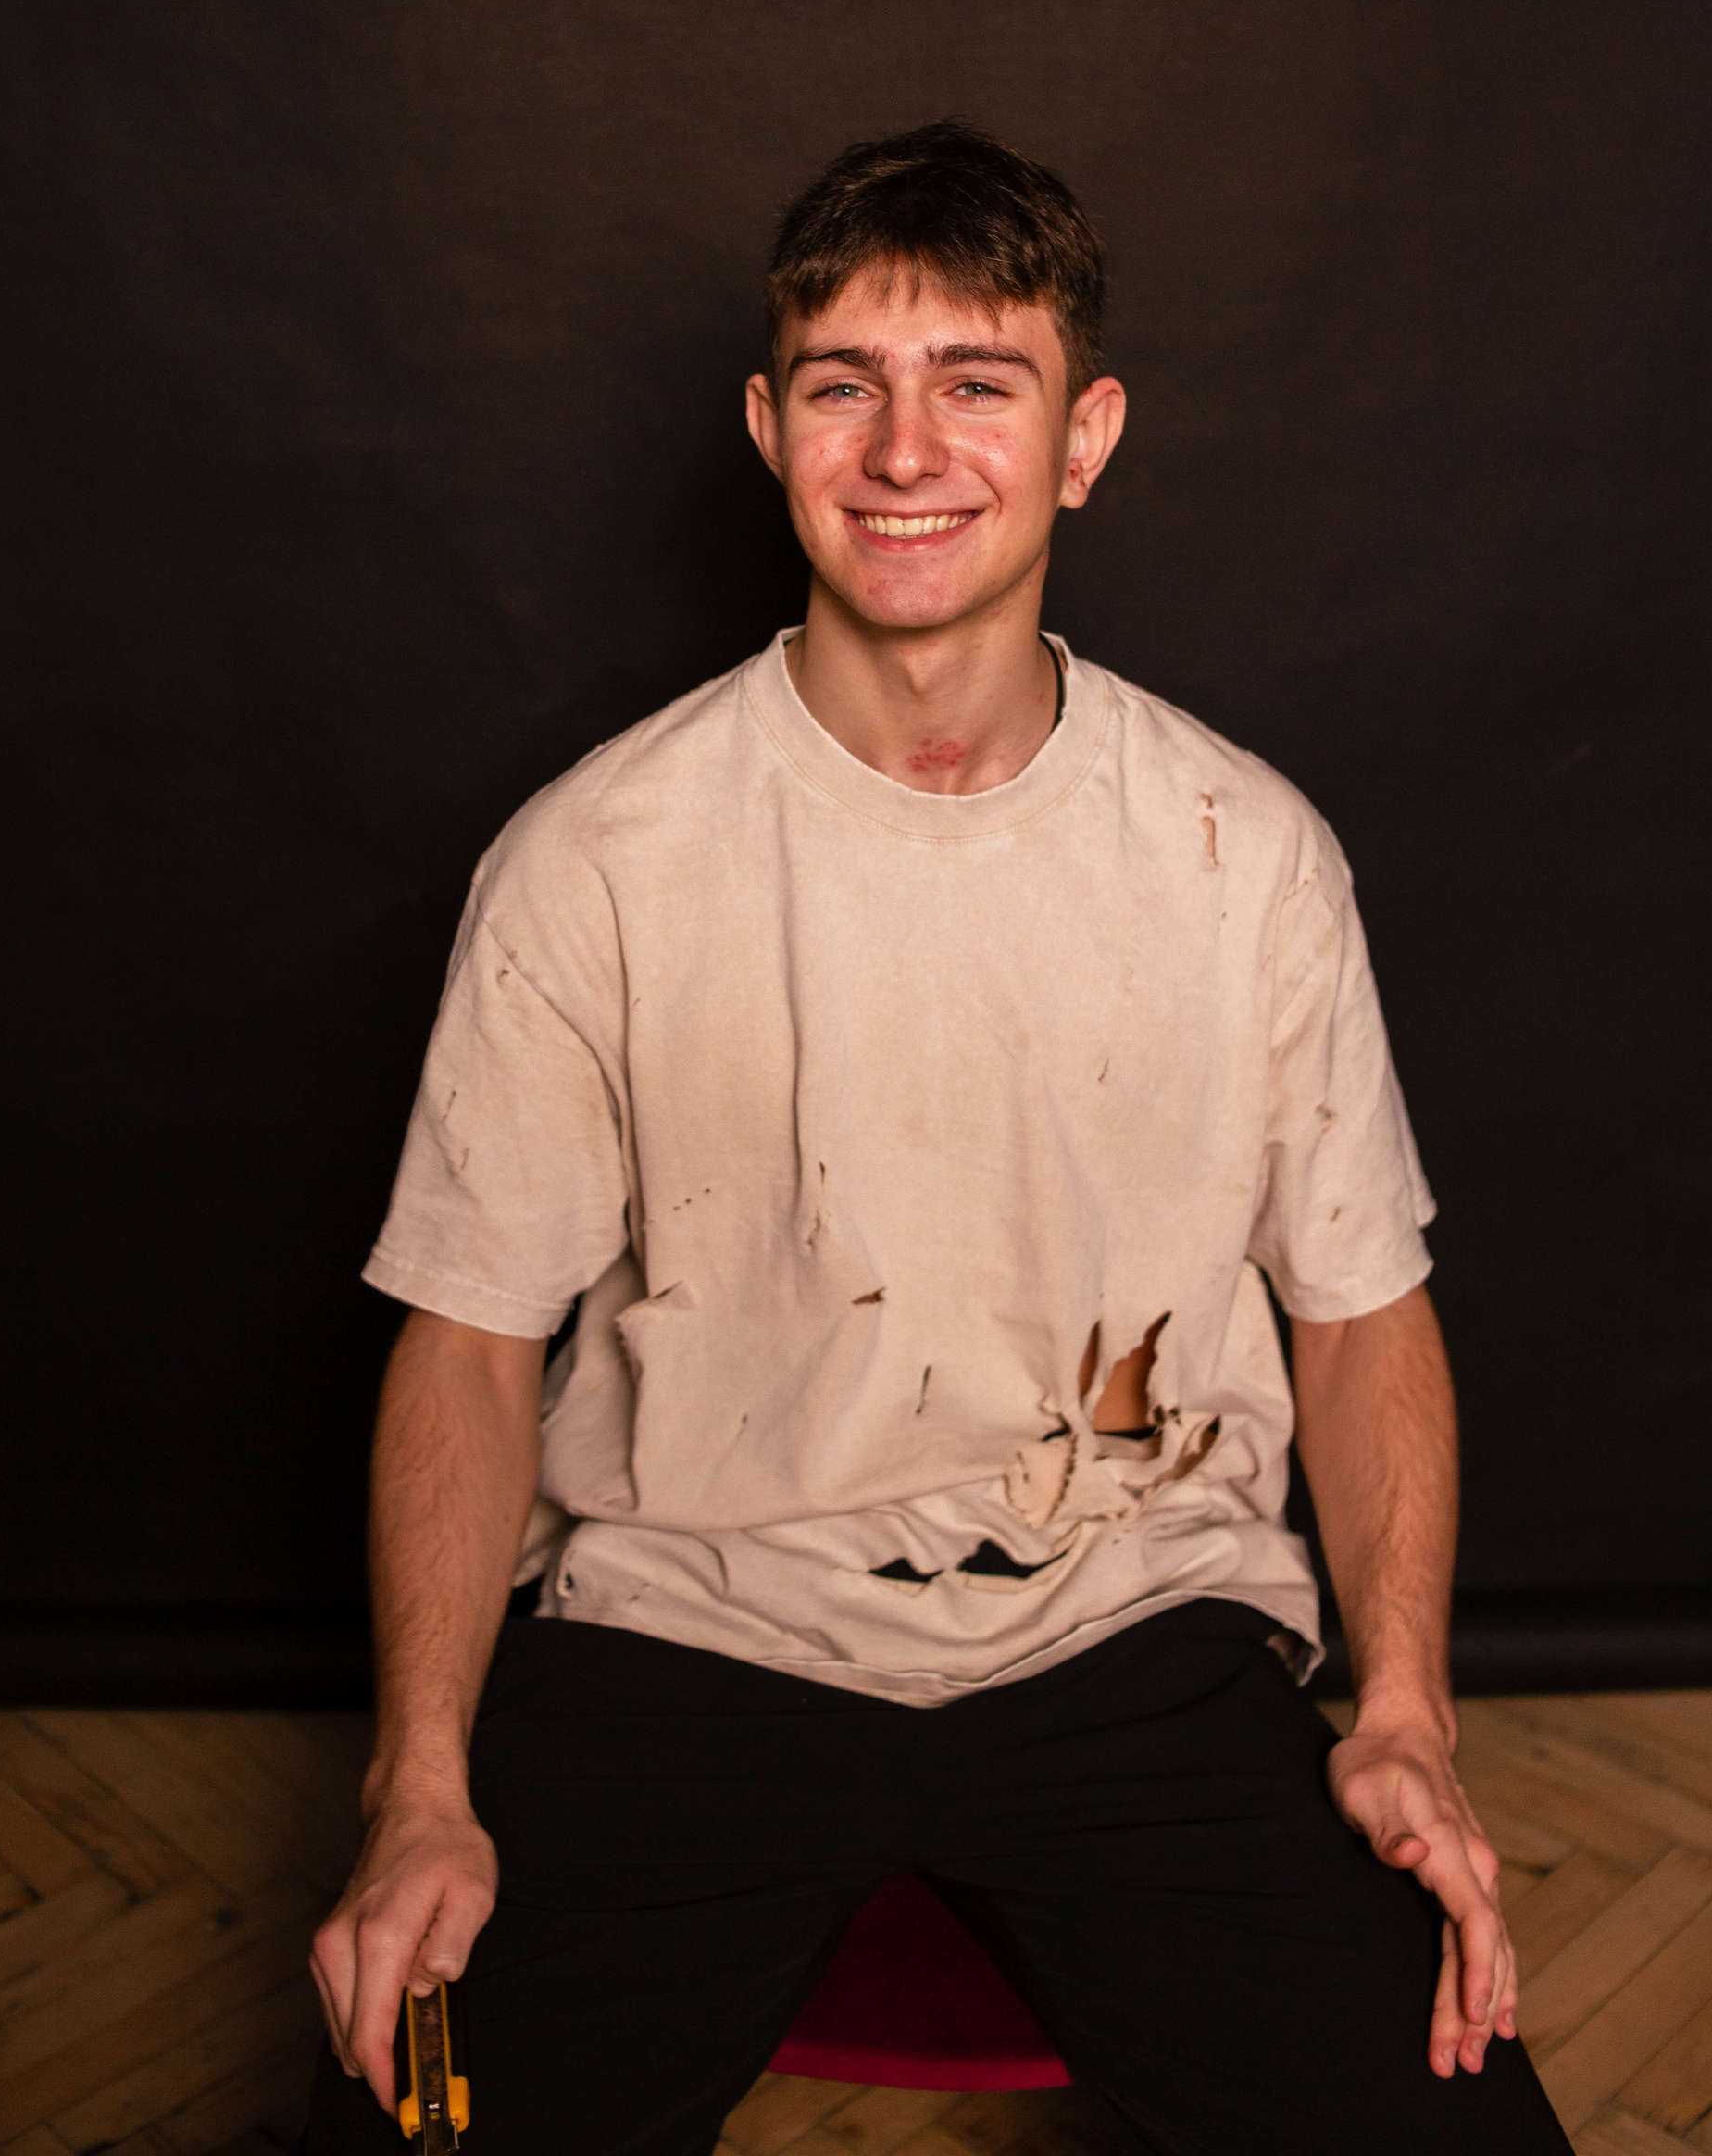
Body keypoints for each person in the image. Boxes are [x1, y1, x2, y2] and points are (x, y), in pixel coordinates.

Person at [306, 121, 1568, 2155]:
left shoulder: (1248, 853)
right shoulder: (591, 858)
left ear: (1085, 440)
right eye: (844, 386)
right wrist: (417, 1790)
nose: (904, 450)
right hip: (690, 1628)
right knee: (418, 2131)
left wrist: (1406, 1710)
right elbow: (465, 1340)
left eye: (978, 381)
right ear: (767, 427)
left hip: (1130, 1621)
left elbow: (1358, 1313)